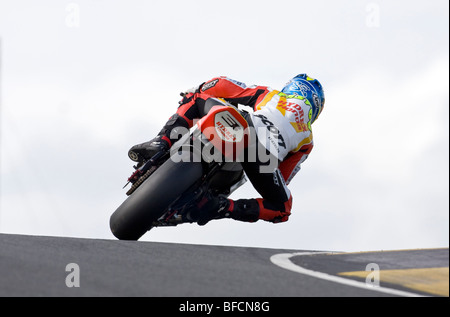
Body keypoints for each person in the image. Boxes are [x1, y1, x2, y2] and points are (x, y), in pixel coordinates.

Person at [128, 74, 325, 226]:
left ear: (291, 87)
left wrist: (200, 88)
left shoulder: (274, 95)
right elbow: (284, 177)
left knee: (196, 97)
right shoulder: (307, 138)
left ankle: (161, 142)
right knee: (283, 208)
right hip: (263, 158)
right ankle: (223, 207)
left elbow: (222, 84)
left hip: (245, 125)